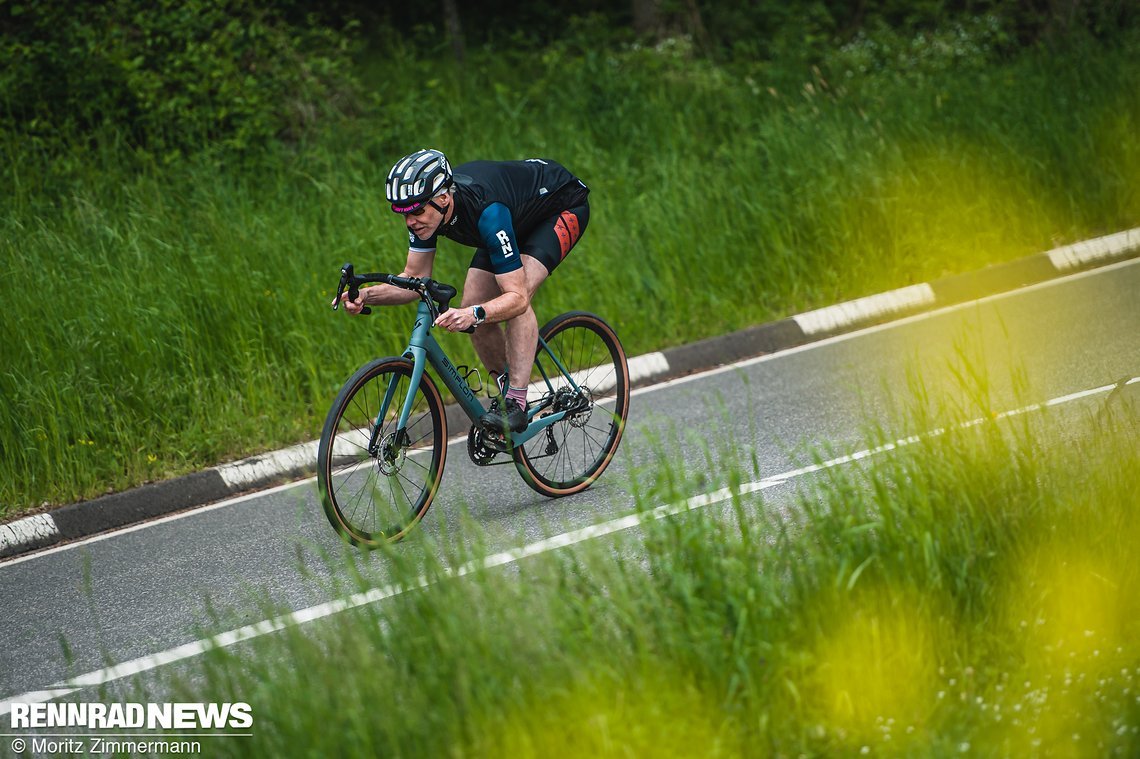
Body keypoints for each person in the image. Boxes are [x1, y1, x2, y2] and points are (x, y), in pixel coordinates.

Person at [341, 148, 591, 434]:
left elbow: (517, 299)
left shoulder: (487, 211)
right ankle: (505, 395)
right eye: (403, 214)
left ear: (444, 198)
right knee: (474, 305)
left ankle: (517, 405)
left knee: (512, 298)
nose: (410, 221)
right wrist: (367, 295)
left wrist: (475, 314)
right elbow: (414, 278)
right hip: (513, 217)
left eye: (417, 212)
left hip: (559, 207)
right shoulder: (428, 212)